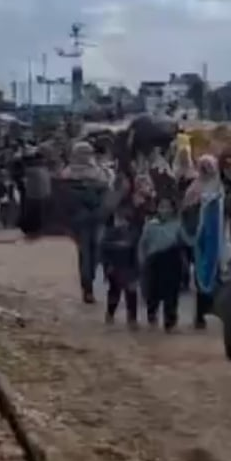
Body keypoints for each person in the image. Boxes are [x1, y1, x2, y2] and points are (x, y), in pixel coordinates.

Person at [183, 154, 230, 329]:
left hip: (219, 238)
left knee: (220, 274)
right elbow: (186, 211)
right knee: (200, 274)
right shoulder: (194, 188)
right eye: (204, 167)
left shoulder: (221, 188)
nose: (207, 170)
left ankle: (219, 311)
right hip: (199, 239)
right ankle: (200, 315)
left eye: (209, 167)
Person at [61, 140, 111, 304]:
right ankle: (88, 287)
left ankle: (87, 287)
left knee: (87, 253)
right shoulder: (98, 173)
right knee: (92, 253)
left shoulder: (67, 174)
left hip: (83, 220)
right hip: (91, 219)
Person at [139, 195, 185, 331]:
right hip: (154, 261)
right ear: (157, 208)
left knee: (172, 293)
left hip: (172, 259)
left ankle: (170, 321)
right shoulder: (150, 225)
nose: (164, 210)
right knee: (153, 291)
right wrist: (142, 261)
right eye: (161, 207)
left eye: (168, 207)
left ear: (173, 209)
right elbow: (143, 244)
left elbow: (185, 240)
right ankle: (152, 314)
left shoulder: (178, 224)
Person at [100, 204, 141, 327]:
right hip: (115, 267)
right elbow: (104, 251)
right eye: (119, 217)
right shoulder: (109, 232)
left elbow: (138, 251)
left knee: (131, 293)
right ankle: (110, 314)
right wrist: (107, 268)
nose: (122, 221)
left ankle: (132, 318)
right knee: (114, 293)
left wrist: (138, 270)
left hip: (130, 267)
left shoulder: (134, 231)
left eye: (124, 218)